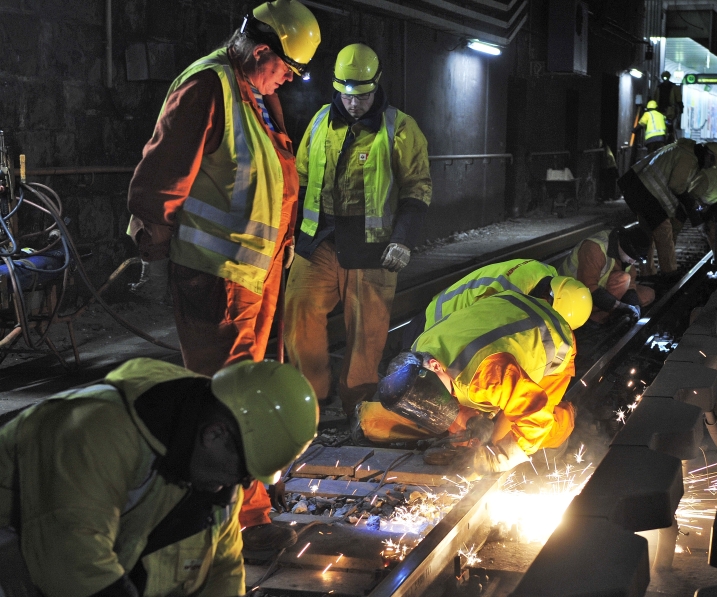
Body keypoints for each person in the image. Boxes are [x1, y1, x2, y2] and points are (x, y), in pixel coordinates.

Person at [125, 0, 321, 551]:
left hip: (254, 276)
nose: (287, 79)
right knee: (229, 397)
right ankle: (235, 521)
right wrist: (153, 238)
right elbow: (160, 173)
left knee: (253, 387)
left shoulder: (257, 95)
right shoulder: (208, 87)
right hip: (216, 278)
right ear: (261, 50)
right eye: (285, 68)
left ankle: (251, 489)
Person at [0, 358, 317, 597]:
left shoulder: (211, 455)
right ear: (214, 434)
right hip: (29, 559)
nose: (244, 485)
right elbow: (73, 566)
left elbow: (223, 568)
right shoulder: (91, 432)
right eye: (245, 472)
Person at [285, 43, 432, 418]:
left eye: (363, 96)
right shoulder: (319, 122)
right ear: (337, 88)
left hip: (373, 249)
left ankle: (358, 406)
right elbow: (299, 180)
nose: (354, 104)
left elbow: (417, 188)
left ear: (376, 86)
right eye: (347, 96)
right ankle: (310, 399)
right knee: (299, 313)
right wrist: (289, 234)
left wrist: (403, 239)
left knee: (366, 335)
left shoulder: (400, 128)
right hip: (318, 241)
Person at [356, 291, 578, 472]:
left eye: (436, 397)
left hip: (553, 338)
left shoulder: (487, 374)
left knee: (520, 434)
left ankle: (566, 420)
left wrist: (501, 456)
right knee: (469, 426)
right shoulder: (420, 349)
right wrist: (463, 427)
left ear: (434, 365)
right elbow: (439, 401)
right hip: (508, 311)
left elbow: (535, 416)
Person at [415, 258, 591, 336]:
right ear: (548, 299)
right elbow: (477, 337)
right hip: (434, 325)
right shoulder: (510, 298)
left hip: (445, 311)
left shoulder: (545, 272)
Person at [617, 139, 717, 274]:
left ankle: (648, 272)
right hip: (647, 193)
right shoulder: (689, 158)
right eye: (711, 162)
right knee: (664, 232)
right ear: (709, 155)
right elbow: (677, 186)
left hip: (637, 189)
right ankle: (669, 273)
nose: (709, 166)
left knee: (648, 234)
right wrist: (691, 207)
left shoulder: (681, 149)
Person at [559, 225, 655, 324]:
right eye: (632, 257)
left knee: (647, 295)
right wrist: (620, 307)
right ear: (623, 246)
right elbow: (589, 288)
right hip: (572, 296)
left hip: (601, 287)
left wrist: (634, 305)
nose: (632, 262)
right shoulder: (595, 248)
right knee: (624, 279)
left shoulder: (624, 252)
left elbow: (631, 285)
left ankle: (612, 312)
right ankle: (596, 319)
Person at [653, 71, 684, 142]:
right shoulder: (659, 87)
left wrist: (680, 108)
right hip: (660, 110)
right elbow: (655, 99)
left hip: (670, 110)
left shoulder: (672, 87)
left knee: (670, 124)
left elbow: (678, 99)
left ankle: (670, 136)